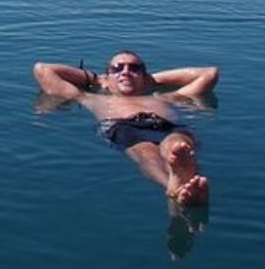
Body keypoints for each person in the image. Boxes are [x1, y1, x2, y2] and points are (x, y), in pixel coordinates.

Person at [32, 51, 217, 205]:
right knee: (146, 153)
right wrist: (98, 80)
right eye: (117, 68)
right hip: (124, 127)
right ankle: (172, 185)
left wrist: (150, 80)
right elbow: (43, 70)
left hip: (168, 126)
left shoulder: (164, 98)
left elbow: (209, 74)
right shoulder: (92, 99)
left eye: (134, 69)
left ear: (144, 78)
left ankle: (181, 173)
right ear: (107, 78)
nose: (126, 72)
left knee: (177, 144)